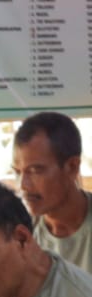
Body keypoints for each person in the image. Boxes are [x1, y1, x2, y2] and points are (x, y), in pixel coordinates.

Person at [13, 111, 92, 274]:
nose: (23, 185)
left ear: (72, 167)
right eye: (17, 172)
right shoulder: (19, 235)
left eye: (35, 171)